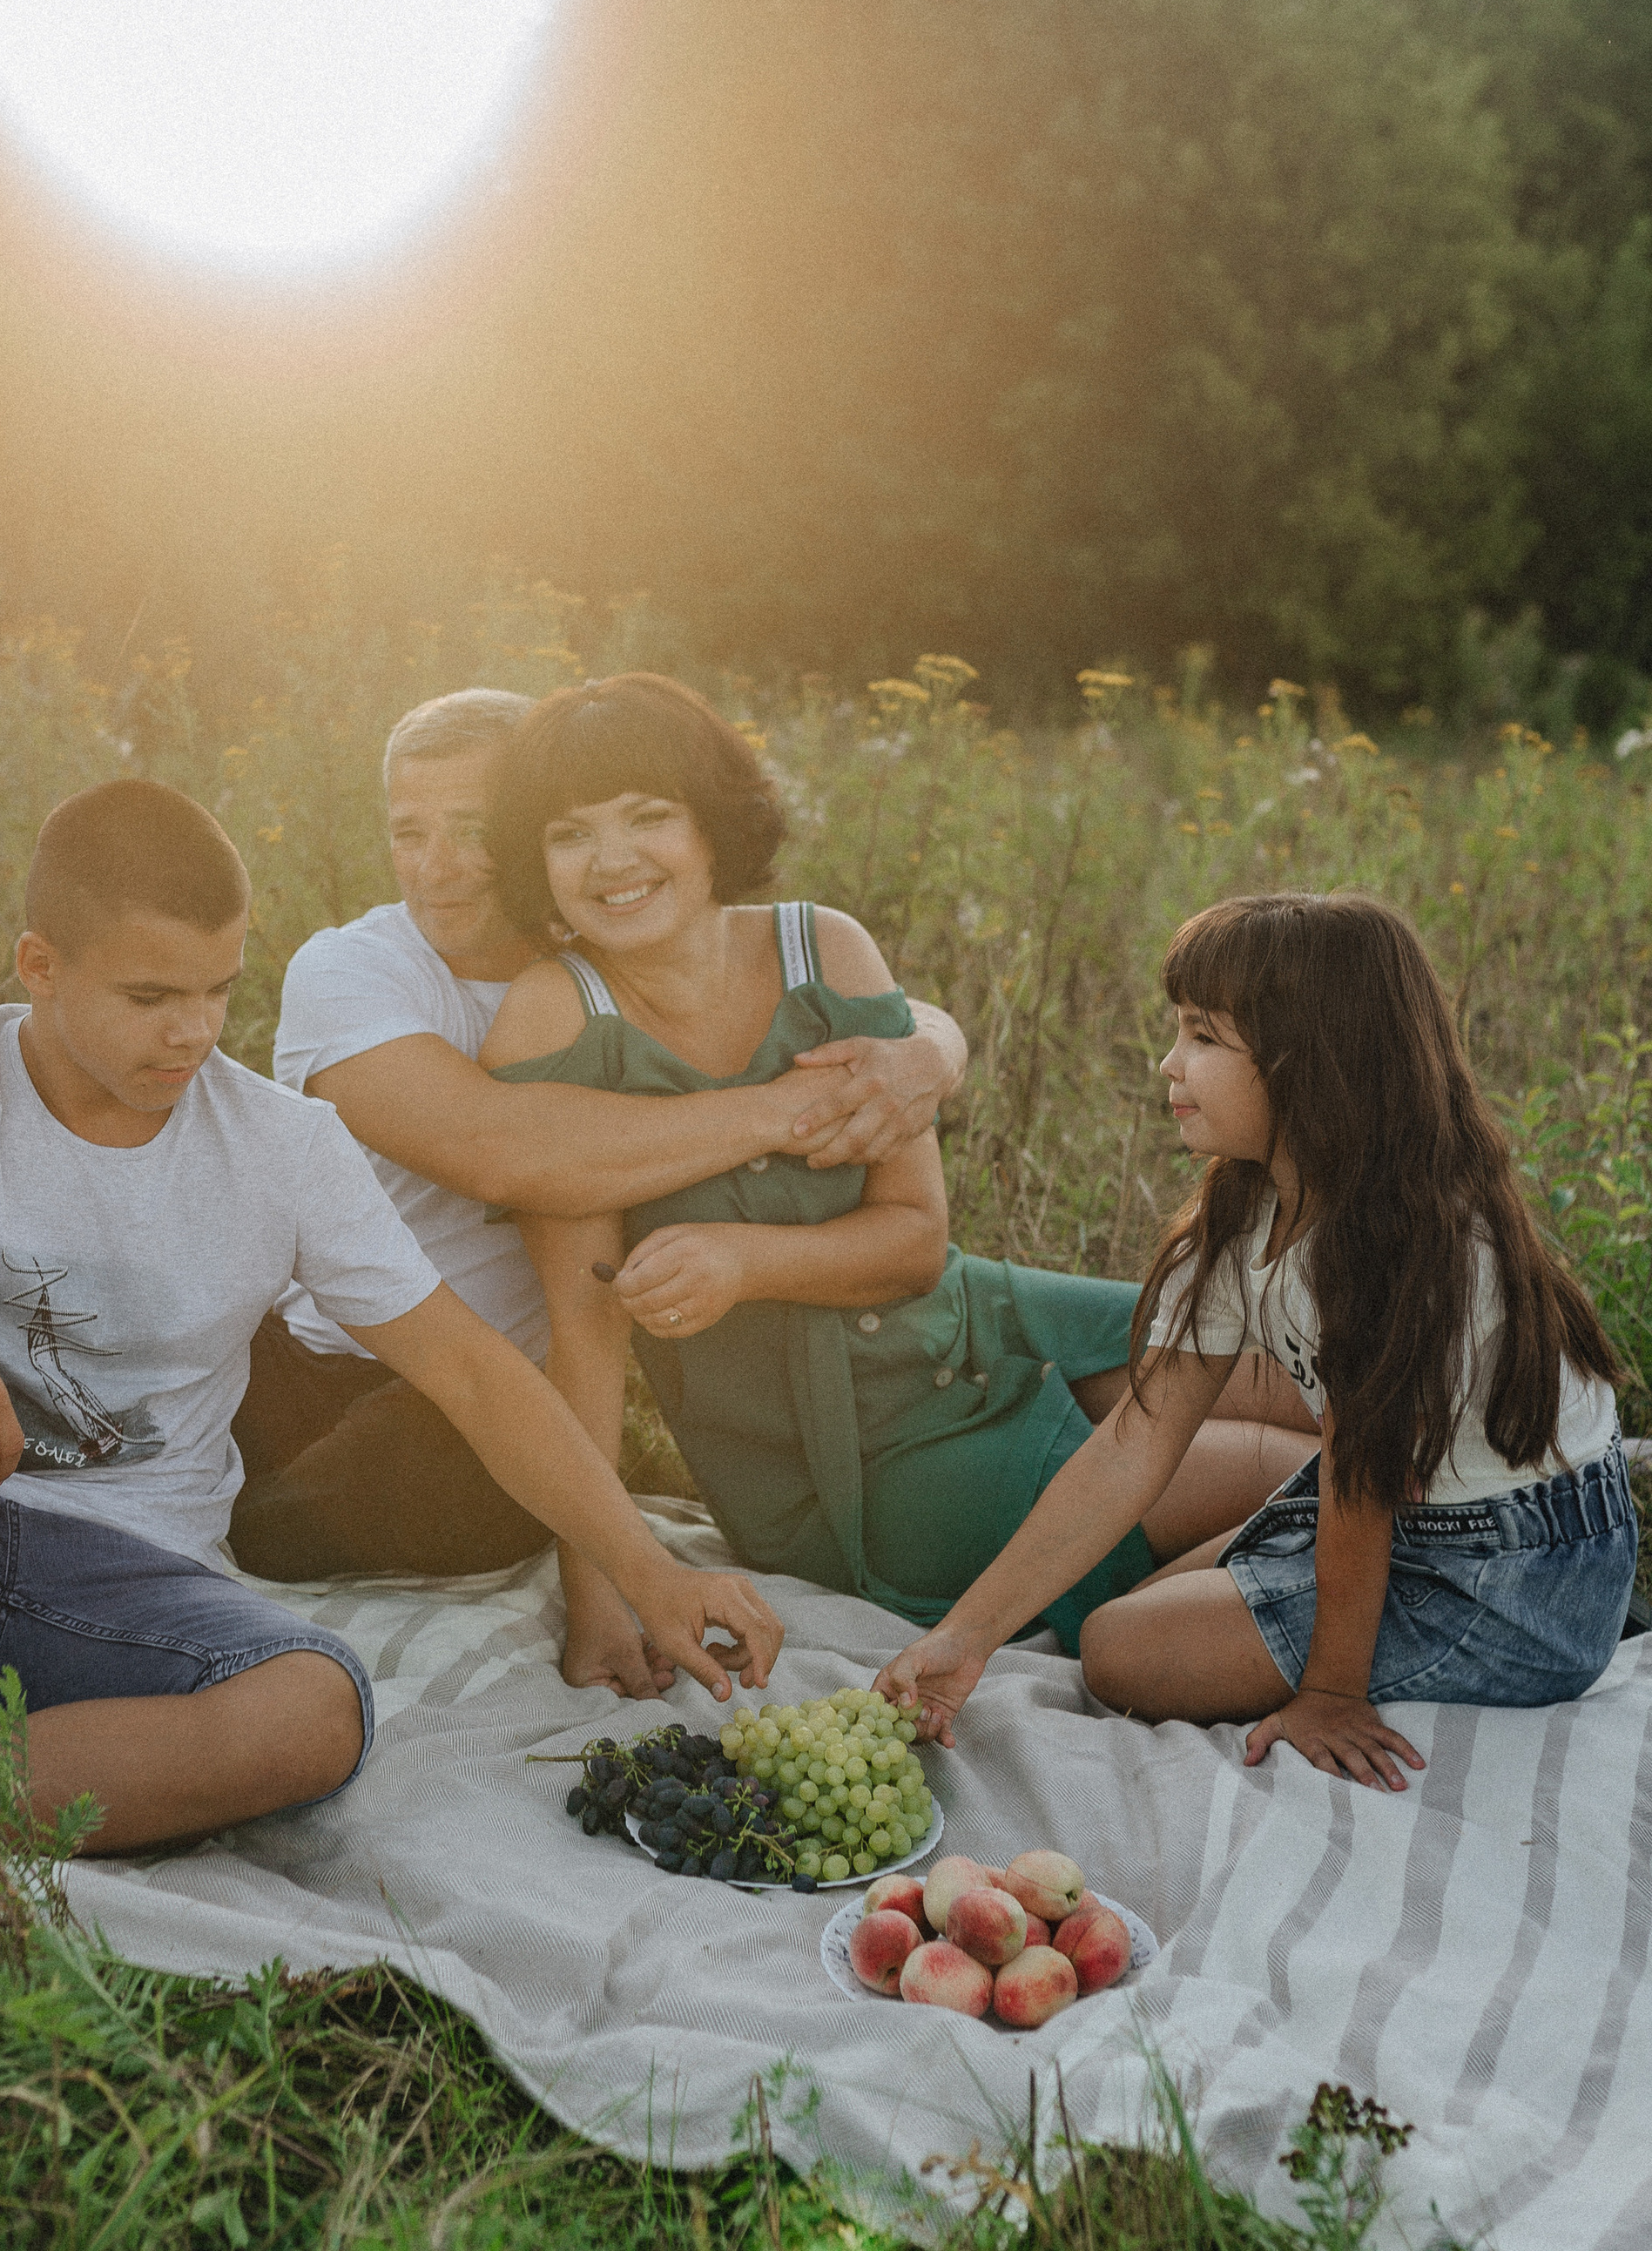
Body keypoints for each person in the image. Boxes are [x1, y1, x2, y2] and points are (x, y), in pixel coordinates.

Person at [0, 778, 782, 1971]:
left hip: (126, 1605)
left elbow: (472, 1370)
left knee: (316, 1709)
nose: (193, 1031)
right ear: (41, 967)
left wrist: (646, 1568)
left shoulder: (283, 1146)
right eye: (149, 995)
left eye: (219, 989)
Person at [478, 675, 1317, 1696]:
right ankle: (1191, 1612)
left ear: (709, 823)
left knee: (1311, 1382)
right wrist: (600, 1599)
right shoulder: (553, 1020)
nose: (611, 859)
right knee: (1287, 1473)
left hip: (971, 1312)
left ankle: (1348, 1564)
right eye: (570, 834)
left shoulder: (824, 948)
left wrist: (742, 1258)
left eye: (646, 815)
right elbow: (584, 1333)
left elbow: (914, 1239)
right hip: (852, 1454)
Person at [875, 891, 1638, 1789]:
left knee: (1118, 1655)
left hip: (1514, 1568)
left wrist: (1329, 1693)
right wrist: (966, 1637)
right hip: (1397, 1504)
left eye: (1202, 1036)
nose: (1168, 1062)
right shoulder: (1248, 1205)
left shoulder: (1404, 1245)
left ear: (1309, 1064)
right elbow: (1136, 1439)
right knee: (1133, 1612)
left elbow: (1364, 1488)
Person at [228, 686, 968, 1586]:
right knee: (157, 1453)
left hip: (485, 1396)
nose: (435, 868)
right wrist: (788, 1107)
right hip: (316, 1356)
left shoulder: (613, 965)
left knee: (330, 1518)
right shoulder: (352, 970)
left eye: (471, 829)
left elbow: (787, 987)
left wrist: (933, 1045)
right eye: (408, 832)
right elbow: (504, 1154)